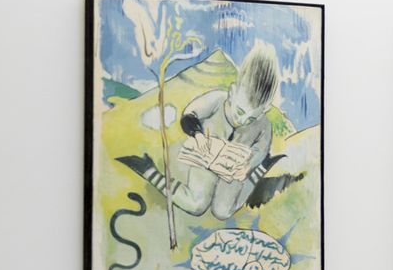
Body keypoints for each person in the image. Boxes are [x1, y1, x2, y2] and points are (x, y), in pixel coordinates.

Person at [116, 41, 294, 220]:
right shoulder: (217, 99)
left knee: (222, 212)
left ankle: (257, 175)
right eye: (240, 112)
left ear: (264, 110)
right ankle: (148, 170)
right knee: (196, 204)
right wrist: (198, 136)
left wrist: (248, 166)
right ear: (232, 92)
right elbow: (189, 115)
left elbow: (261, 150)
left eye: (251, 119)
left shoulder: (264, 125)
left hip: (233, 171)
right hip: (205, 160)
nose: (242, 121)